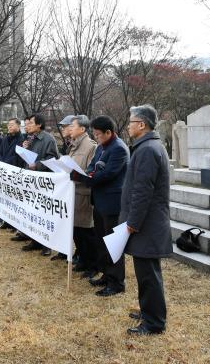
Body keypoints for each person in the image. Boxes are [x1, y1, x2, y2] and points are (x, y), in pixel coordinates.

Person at [120, 105, 172, 336]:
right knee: (146, 272)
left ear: (141, 124)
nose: (128, 126)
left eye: (131, 122)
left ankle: (154, 322)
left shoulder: (148, 150)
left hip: (147, 224)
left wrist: (132, 222)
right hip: (146, 222)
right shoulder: (146, 147)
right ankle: (148, 311)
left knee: (149, 274)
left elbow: (143, 191)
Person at [80, 115, 129, 296]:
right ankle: (106, 274)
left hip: (113, 203)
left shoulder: (119, 149)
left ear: (109, 132)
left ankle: (117, 282)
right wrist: (85, 174)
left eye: (98, 134)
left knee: (114, 243)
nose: (96, 137)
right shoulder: (101, 147)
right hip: (99, 201)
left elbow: (108, 174)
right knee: (101, 240)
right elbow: (92, 167)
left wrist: (86, 179)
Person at [17, 113, 59, 255]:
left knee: (44, 214)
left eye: (30, 123)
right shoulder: (29, 139)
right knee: (32, 212)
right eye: (26, 124)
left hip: (43, 181)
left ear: (39, 125)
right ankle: (35, 241)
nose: (27, 126)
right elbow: (26, 159)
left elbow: (52, 159)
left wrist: (38, 165)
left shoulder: (49, 139)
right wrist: (25, 148)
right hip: (31, 181)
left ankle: (47, 245)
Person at [65, 116, 98, 277]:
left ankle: (93, 265)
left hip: (83, 194)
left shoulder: (91, 146)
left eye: (73, 126)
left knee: (87, 233)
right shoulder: (73, 145)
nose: (70, 129)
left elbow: (91, 172)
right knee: (76, 232)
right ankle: (83, 261)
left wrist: (77, 174)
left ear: (82, 129)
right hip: (72, 194)